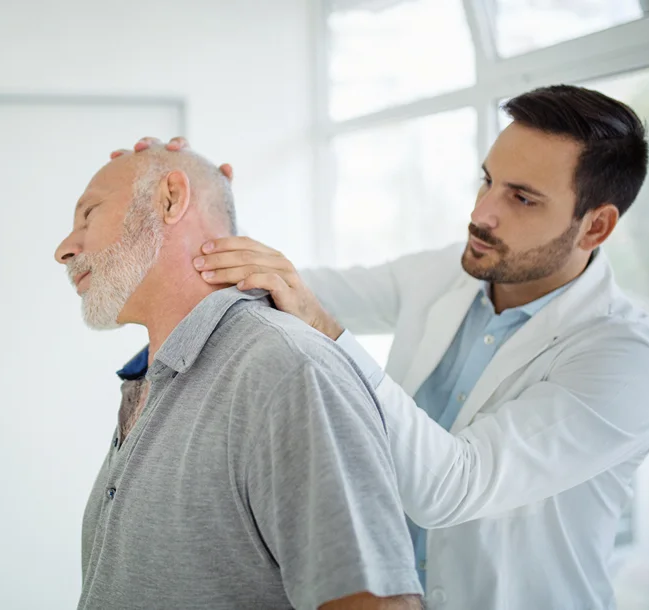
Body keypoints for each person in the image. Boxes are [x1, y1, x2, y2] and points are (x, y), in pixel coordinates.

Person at [115, 85, 649, 609]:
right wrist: (198, 198)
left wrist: (326, 330)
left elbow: (452, 487)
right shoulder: (447, 273)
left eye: (523, 198)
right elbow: (289, 282)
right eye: (487, 180)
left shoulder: (625, 360)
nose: (482, 213)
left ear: (596, 227)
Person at [54, 147, 424, 609]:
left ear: (171, 199)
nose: (64, 249)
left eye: (88, 214)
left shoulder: (286, 371)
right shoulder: (155, 376)